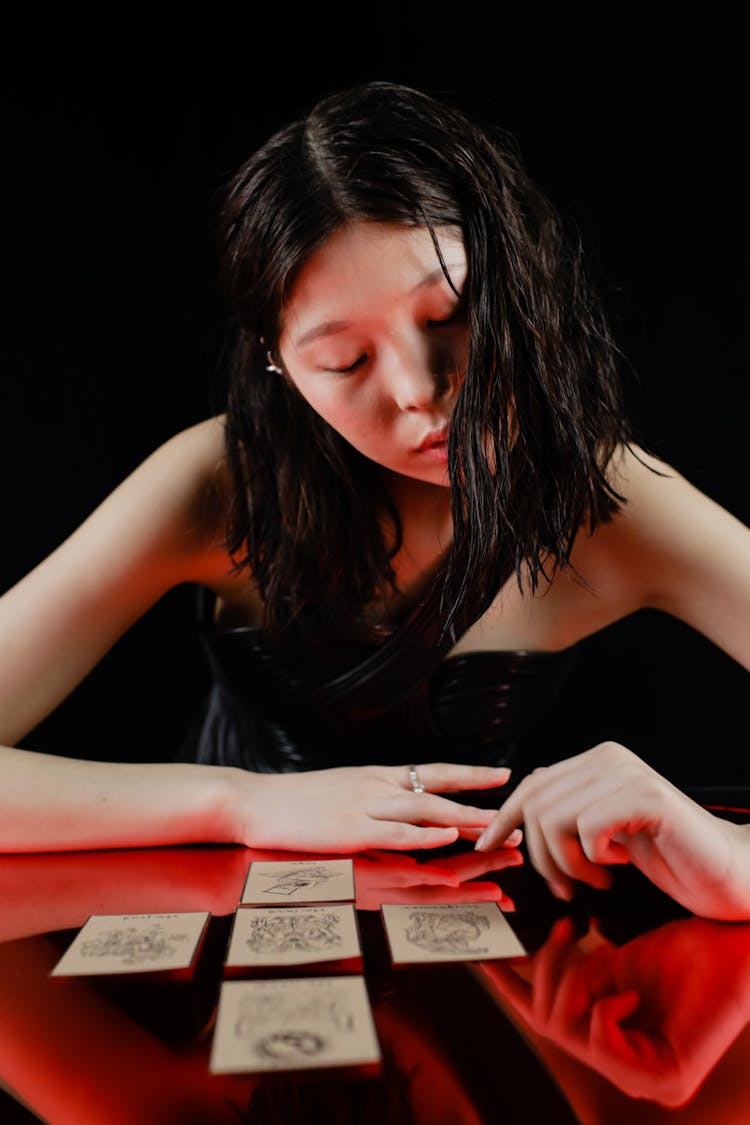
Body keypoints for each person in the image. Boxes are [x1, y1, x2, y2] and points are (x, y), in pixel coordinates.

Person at [0, 83, 748, 904]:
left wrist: (727, 850)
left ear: (517, 281)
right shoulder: (222, 483)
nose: (419, 392)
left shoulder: (609, 500)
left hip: (471, 934)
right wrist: (242, 802)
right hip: (209, 921)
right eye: (345, 362)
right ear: (281, 366)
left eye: (452, 314)